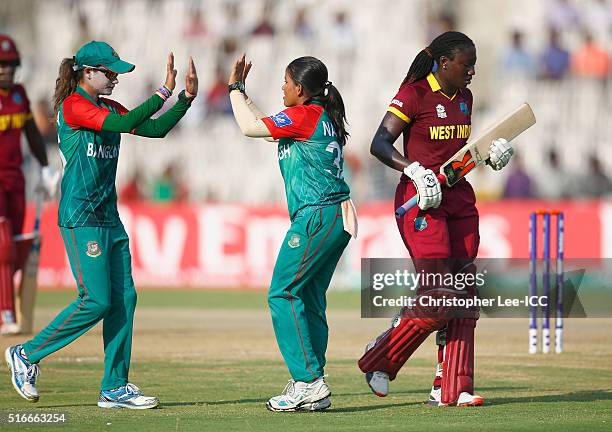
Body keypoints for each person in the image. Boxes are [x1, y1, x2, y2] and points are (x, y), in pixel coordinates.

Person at [5, 40, 198, 409]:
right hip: (81, 218)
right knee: (95, 300)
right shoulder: (75, 106)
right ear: (86, 73)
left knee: (125, 298)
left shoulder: (106, 104)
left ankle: (115, 387)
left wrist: (185, 100)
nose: (115, 79)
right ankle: (26, 354)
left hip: (109, 217)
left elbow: (153, 131)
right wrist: (163, 91)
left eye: (116, 73)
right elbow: (126, 123)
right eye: (109, 73)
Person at [357, 31, 514, 407]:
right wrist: (413, 170)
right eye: (467, 64)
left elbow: (457, 156)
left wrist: (488, 157)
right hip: (422, 200)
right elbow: (379, 143)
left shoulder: (465, 97)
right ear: (445, 63)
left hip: (458, 198)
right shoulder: (414, 94)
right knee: (439, 294)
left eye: (474, 63)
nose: (472, 71)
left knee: (463, 293)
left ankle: (452, 387)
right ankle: (380, 356)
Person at [228, 54, 357, 412]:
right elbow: (264, 124)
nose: (282, 88)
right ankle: (314, 380)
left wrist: (232, 90)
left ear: (300, 89)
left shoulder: (304, 116)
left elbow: (250, 128)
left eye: (286, 83)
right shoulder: (319, 115)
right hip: (337, 216)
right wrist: (242, 92)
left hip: (316, 215)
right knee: (309, 296)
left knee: (283, 293)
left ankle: (308, 381)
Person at [0, 34, 59, 335]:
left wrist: (46, 168)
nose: (6, 71)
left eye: (10, 65)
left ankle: (10, 305)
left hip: (15, 180)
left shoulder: (20, 95)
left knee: (18, 244)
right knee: (3, 244)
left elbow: (32, 135)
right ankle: (5, 312)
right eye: (1, 65)